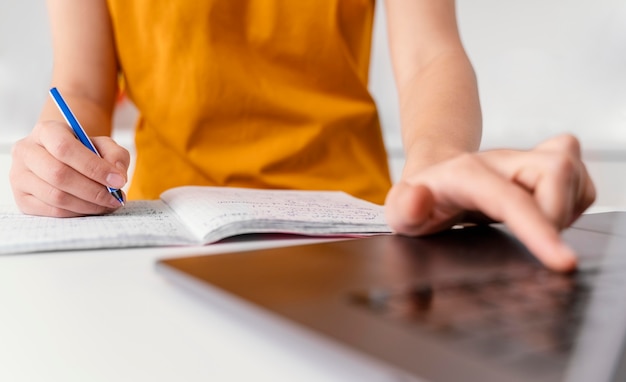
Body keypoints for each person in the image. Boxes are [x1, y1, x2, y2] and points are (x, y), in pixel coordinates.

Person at [9, 0, 595, 272]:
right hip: (166, 233)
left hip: (356, 233)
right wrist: (58, 161)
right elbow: (81, 86)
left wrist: (437, 159)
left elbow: (429, 55)